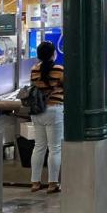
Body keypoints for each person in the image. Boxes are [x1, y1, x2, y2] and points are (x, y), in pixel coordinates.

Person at [29, 41, 64, 194]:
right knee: (55, 148)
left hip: (37, 111)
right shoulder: (59, 69)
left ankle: (35, 182)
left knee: (39, 146)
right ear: (53, 54)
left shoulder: (34, 70)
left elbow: (34, 86)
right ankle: (53, 183)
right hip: (54, 110)